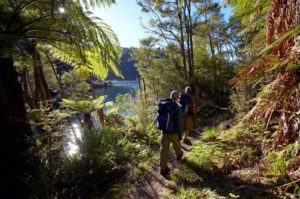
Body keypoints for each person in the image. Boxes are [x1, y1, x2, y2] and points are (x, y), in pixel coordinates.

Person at [158, 90, 183, 176]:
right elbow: (179, 123)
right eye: (178, 98)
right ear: (177, 98)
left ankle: (162, 169)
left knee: (163, 150)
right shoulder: (176, 107)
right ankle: (179, 157)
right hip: (173, 132)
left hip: (164, 131)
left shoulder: (163, 104)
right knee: (177, 146)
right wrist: (180, 136)